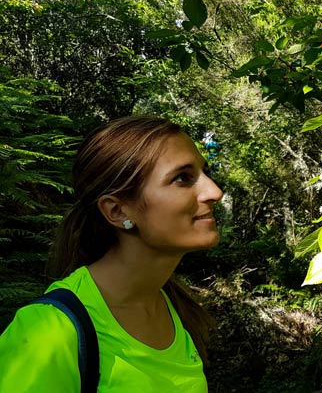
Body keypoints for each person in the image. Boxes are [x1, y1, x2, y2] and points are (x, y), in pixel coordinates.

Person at [0, 115, 224, 392]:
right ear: (117, 211)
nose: (214, 191)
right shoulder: (49, 332)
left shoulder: (175, 307)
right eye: (182, 178)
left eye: (205, 173)